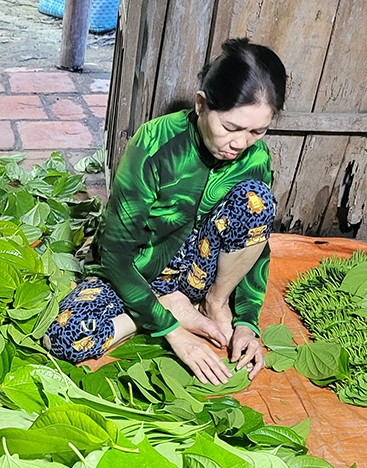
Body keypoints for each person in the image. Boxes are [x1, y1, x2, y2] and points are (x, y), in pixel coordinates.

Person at [45, 38, 286, 386]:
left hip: (200, 272)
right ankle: (168, 307)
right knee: (62, 338)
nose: (240, 143)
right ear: (202, 105)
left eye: (257, 131)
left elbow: (255, 243)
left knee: (258, 199)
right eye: (231, 128)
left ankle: (214, 304)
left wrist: (246, 321)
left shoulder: (256, 159)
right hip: (136, 272)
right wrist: (170, 328)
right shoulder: (154, 143)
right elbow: (115, 254)